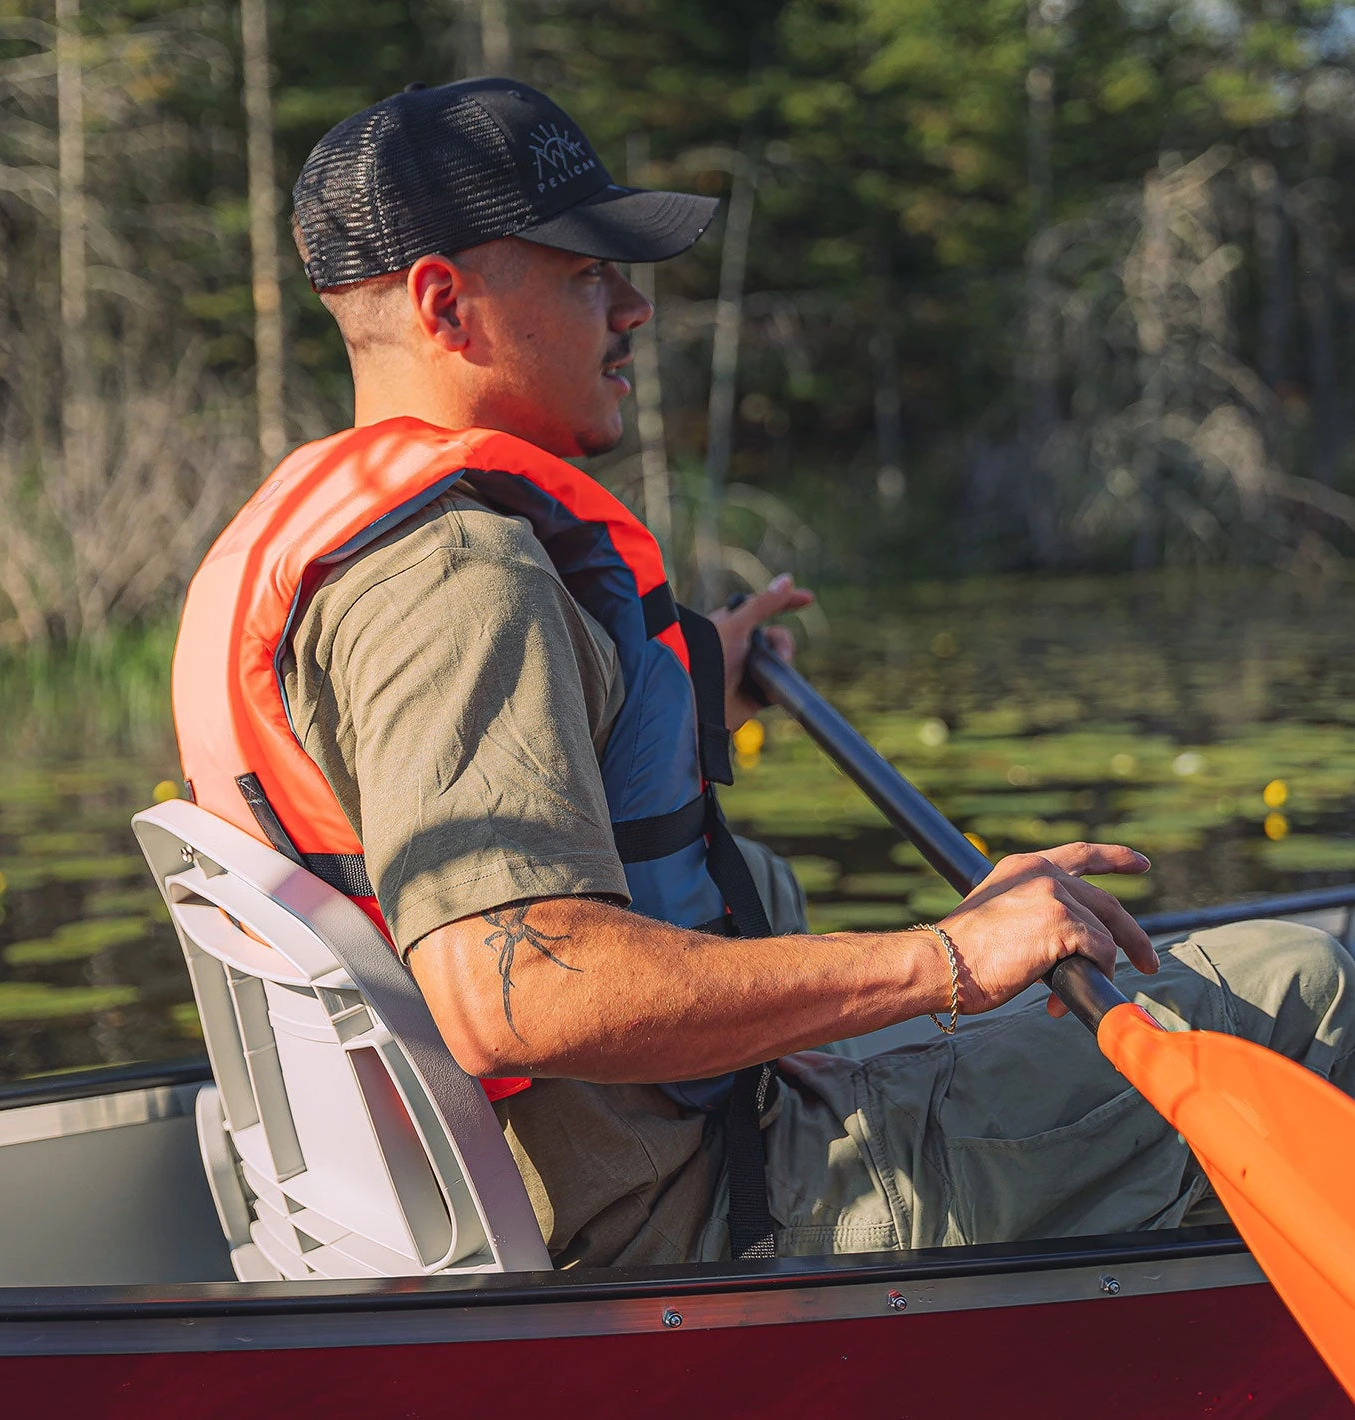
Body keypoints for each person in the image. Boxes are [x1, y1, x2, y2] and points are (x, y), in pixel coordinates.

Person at [172, 78, 1355, 1269]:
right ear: (445, 304)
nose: (632, 307)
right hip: (710, 1205)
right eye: (588, 274)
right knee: (1297, 981)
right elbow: (512, 991)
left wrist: (681, 683)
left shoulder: (329, 538)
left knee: (797, 898)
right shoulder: (460, 575)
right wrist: (947, 957)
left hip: (617, 1161)